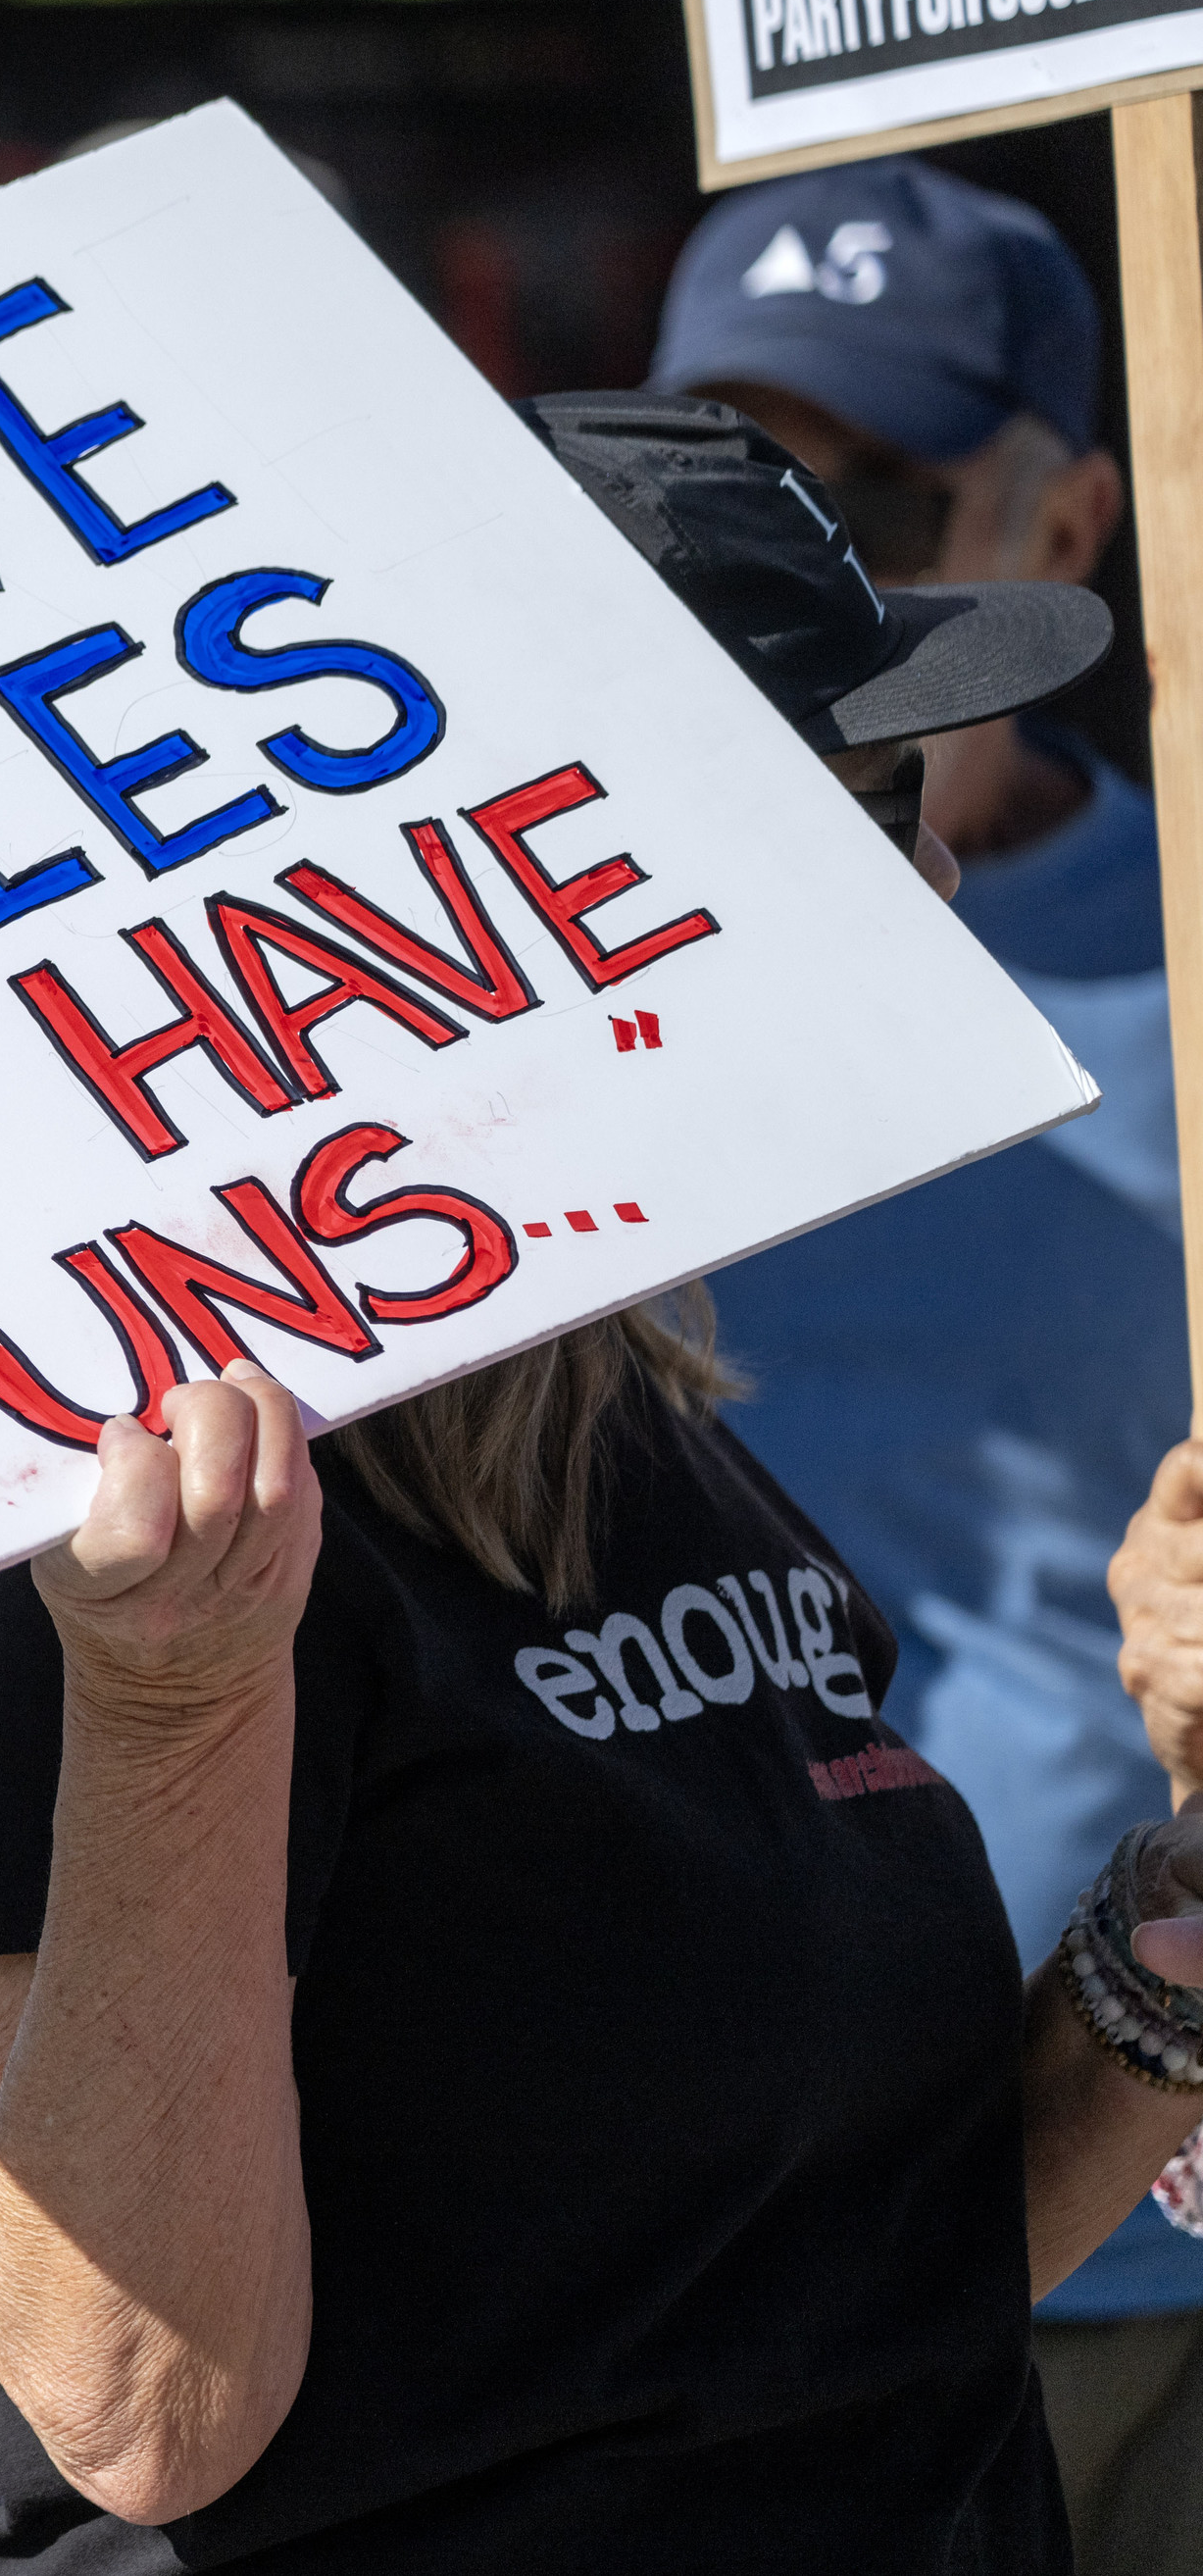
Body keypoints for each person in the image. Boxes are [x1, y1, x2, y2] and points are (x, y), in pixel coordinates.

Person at [0, 391, 1178, 2566]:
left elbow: (819, 2279)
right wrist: (172, 1715)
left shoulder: (627, 1413)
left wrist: (1180, 1907)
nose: (942, 871)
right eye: (867, 799)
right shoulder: (121, 1509)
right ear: (554, 888)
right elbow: (130, 2402)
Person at [645, 160, 1203, 2565]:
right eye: (728, 476)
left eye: (857, 492)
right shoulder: (542, 1004)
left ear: (1059, 511)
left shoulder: (1191, 960)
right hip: (689, 2244)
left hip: (1127, 2196)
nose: (806, 562)